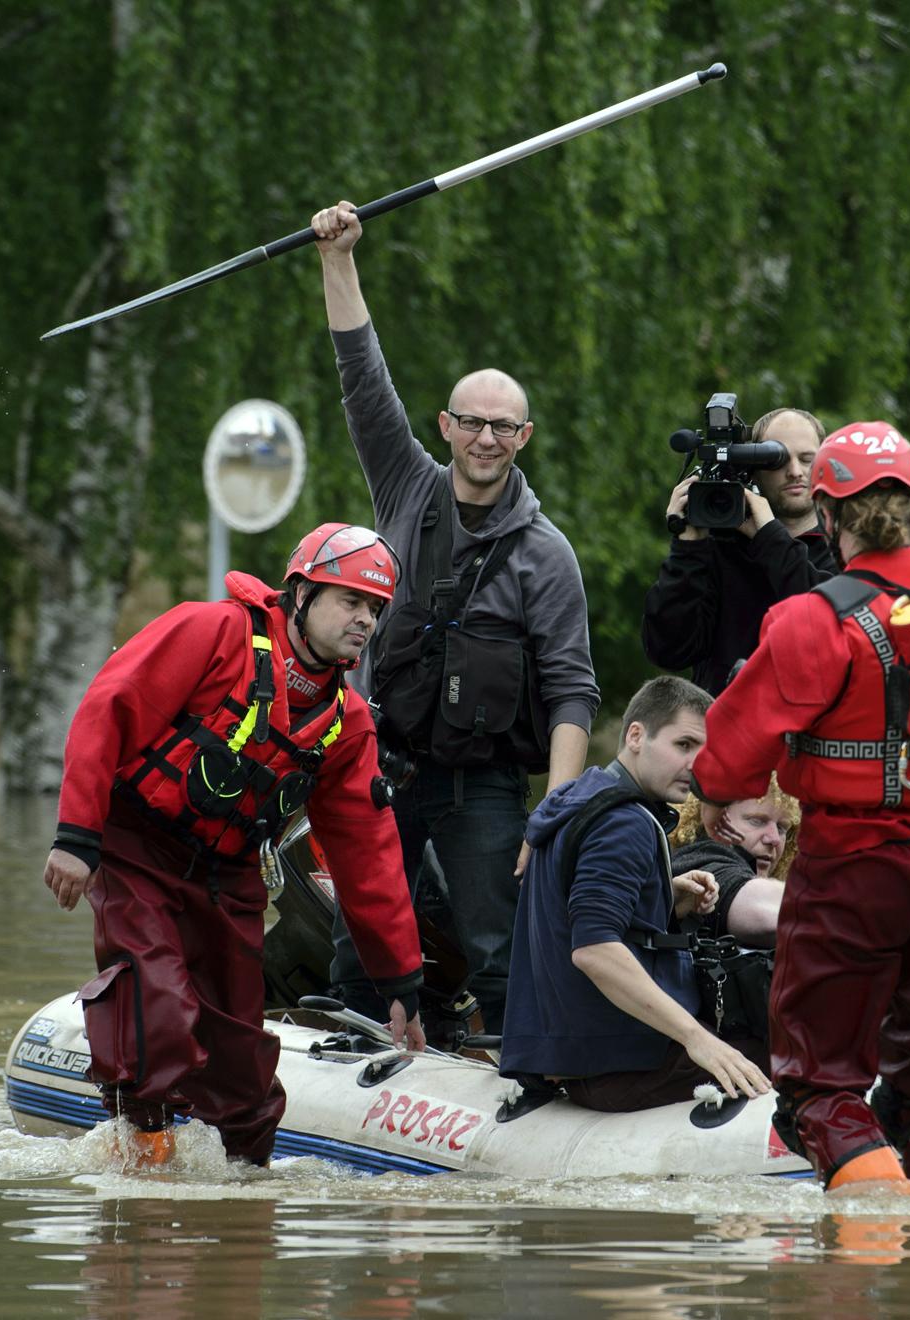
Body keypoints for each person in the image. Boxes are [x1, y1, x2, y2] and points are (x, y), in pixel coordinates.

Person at [690, 420, 910, 1196]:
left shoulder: (813, 622)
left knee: (820, 1088)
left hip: (852, 872)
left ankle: (857, 1271)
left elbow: (728, 757)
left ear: (826, 515)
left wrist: (717, 799)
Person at [41, 524, 425, 1167]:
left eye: (376, 610)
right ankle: (144, 1173)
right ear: (300, 593)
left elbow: (369, 855)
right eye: (351, 602)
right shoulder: (211, 632)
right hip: (139, 850)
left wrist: (400, 979)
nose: (365, 620)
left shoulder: (344, 722)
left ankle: (245, 1202)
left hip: (229, 873)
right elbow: (108, 707)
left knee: (246, 1075)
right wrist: (76, 838)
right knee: (158, 1013)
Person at [309, 199, 599, 1035]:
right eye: (469, 421)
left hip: (486, 788)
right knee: (360, 940)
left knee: (499, 943)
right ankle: (347, 1057)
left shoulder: (548, 555)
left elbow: (572, 692)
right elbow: (363, 381)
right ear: (446, 425)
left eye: (501, 427)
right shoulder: (404, 483)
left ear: (524, 437)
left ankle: (523, 1068)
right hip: (381, 763)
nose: (483, 437)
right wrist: (339, 258)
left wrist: (556, 813)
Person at [500, 676, 772, 1113]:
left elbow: (571, 912)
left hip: (574, 1057)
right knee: (798, 1057)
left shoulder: (580, 795)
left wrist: (664, 896)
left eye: (705, 752)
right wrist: (699, 1040)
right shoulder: (622, 822)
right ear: (636, 735)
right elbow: (595, 950)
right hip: (623, 1066)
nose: (696, 764)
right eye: (684, 745)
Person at [641, 407, 837, 694]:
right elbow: (668, 651)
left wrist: (768, 537)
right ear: (753, 467)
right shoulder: (722, 546)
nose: (795, 471)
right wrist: (687, 546)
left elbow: (833, 624)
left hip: (812, 731)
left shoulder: (844, 545)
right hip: (726, 729)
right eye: (778, 460)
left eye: (807, 459)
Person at [666, 774, 801, 944]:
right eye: (756, 821)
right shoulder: (699, 861)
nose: (774, 839)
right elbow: (761, 910)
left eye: (782, 828)